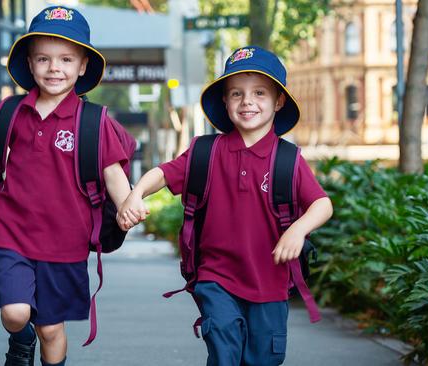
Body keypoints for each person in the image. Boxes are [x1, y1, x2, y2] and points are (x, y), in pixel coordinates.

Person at [0, 6, 131, 366]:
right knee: (16, 313)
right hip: (12, 234)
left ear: (82, 66)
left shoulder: (93, 122)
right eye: (44, 59)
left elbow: (113, 173)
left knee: (51, 330)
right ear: (30, 63)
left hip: (66, 243)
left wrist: (129, 204)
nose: (55, 68)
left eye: (66, 59)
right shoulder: (11, 112)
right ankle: (20, 342)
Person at [118, 46, 333, 365]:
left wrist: (298, 231)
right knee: (223, 346)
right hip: (216, 277)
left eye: (260, 92)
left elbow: (322, 204)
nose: (247, 101)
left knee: (262, 359)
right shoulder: (206, 151)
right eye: (236, 93)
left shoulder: (288, 159)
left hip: (270, 283)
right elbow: (163, 174)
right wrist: (135, 195)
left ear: (278, 101)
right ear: (224, 101)